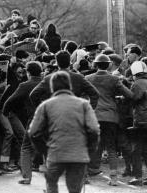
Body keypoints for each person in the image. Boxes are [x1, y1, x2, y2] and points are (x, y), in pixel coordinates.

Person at [28, 71, 100, 193]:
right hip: (79, 154)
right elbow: (94, 129)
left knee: (51, 183)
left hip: (55, 153)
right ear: (70, 86)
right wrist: (90, 149)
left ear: (52, 87)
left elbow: (33, 132)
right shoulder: (83, 104)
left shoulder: (45, 105)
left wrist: (44, 150)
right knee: (74, 188)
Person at [85, 54, 133, 185]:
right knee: (111, 146)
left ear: (95, 64)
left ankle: (85, 176)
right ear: (109, 65)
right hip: (111, 117)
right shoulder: (114, 79)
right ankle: (114, 178)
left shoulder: (88, 78)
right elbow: (129, 95)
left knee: (90, 145)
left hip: (93, 115)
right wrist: (119, 98)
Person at [3, 61, 43, 184]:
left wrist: (4, 112)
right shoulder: (47, 83)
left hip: (34, 119)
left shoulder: (25, 85)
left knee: (26, 147)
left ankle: (27, 177)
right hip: (50, 118)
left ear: (28, 72)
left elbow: (10, 101)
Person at [30, 50, 99, 109]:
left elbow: (33, 95)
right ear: (69, 62)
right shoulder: (78, 78)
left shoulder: (48, 78)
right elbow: (94, 93)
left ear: (57, 63)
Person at [128, 61, 147, 185]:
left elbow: (133, 99)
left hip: (141, 120)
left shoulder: (137, 84)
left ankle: (138, 176)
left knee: (137, 149)